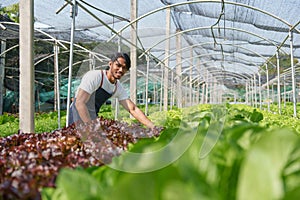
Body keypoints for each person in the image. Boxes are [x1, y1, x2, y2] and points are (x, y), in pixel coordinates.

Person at [68, 52, 155, 129]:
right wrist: (90, 127)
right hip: (77, 116)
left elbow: (133, 109)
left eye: (124, 68)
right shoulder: (96, 77)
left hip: (92, 117)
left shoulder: (117, 87)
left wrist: (152, 126)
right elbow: (79, 102)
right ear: (110, 64)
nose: (121, 70)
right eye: (118, 65)